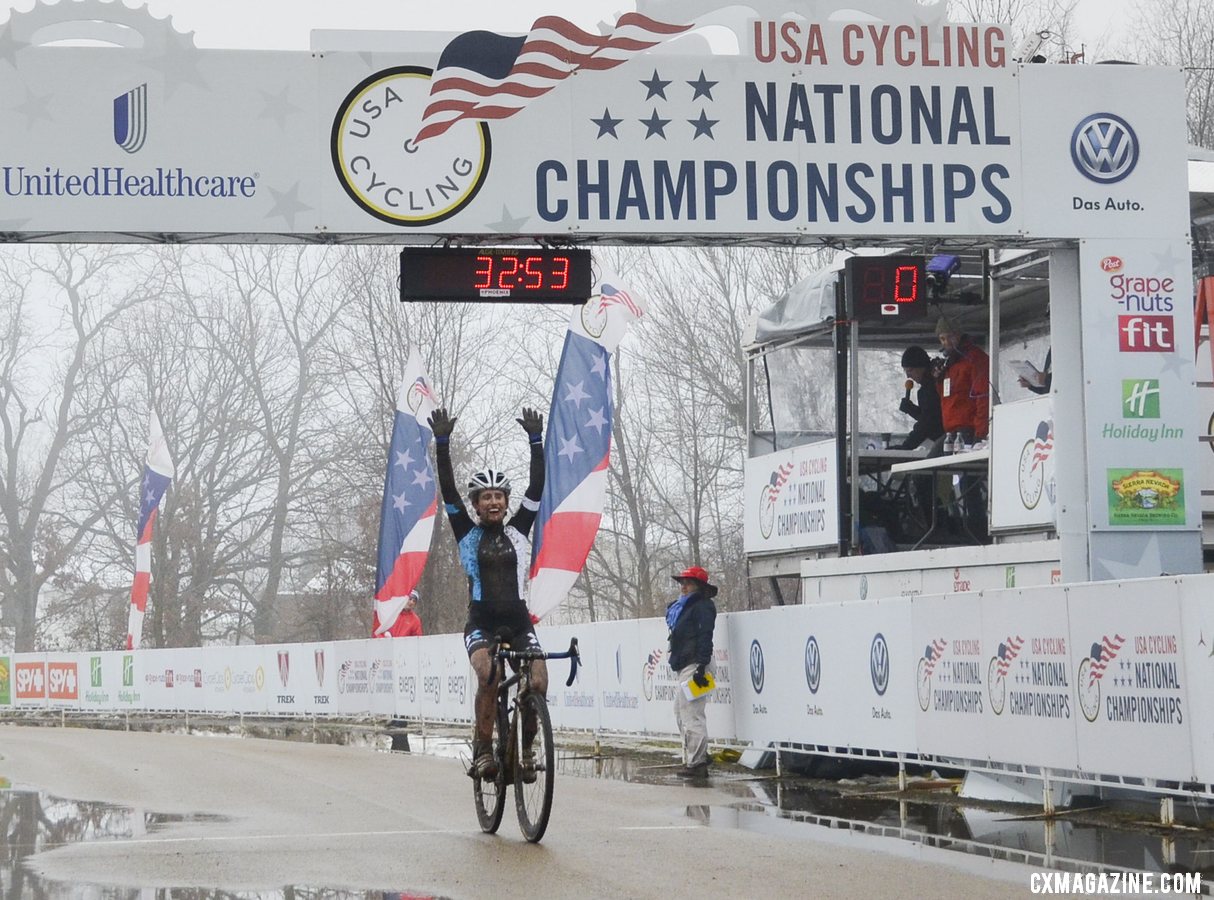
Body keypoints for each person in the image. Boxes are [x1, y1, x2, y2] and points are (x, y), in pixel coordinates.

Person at [428, 405, 546, 781]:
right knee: (490, 675)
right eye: (486, 497)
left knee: (539, 682)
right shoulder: (467, 532)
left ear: (506, 502)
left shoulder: (519, 530)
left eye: (499, 496)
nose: (494, 502)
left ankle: (527, 749)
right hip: (481, 621)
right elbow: (447, 488)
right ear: (476, 506)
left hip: (518, 619)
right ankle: (482, 748)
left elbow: (537, 487)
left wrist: (536, 441)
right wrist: (442, 443)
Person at [667, 565, 717, 780]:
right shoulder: (683, 607)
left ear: (698, 586)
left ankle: (697, 763)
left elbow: (706, 636)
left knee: (691, 715)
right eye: (682, 583)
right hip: (687, 663)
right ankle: (698, 756)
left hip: (696, 664)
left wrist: (701, 666)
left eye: (688, 583)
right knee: (681, 712)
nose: (683, 587)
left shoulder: (703, 607)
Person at [935, 317, 991, 447]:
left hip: (969, 429)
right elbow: (946, 397)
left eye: (950, 337)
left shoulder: (974, 359)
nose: (947, 342)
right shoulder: (950, 363)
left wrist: (980, 433)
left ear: (959, 335)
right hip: (951, 431)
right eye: (943, 339)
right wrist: (938, 379)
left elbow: (983, 396)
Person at [896, 345, 944, 450]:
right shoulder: (933, 384)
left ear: (921, 367)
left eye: (910, 370)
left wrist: (907, 446)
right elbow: (930, 418)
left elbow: (928, 423)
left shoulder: (930, 389)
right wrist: (912, 410)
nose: (908, 376)